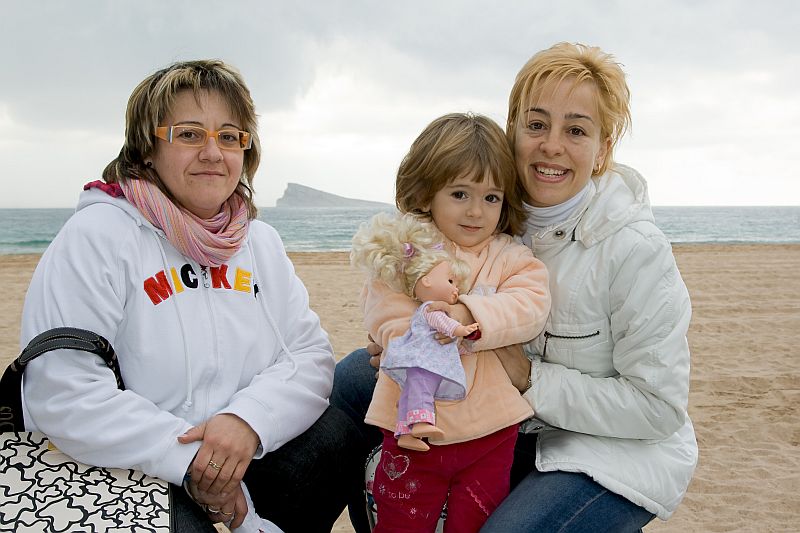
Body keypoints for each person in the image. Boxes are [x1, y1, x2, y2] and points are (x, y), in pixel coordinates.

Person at [332, 42, 698, 533]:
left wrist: (527, 377)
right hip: (503, 418)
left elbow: (658, 409)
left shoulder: (636, 251)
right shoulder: (487, 213)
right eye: (537, 124)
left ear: (603, 149)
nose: (552, 146)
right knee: (352, 378)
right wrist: (403, 345)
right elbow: (409, 278)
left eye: (576, 130)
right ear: (513, 131)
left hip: (610, 451)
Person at [20, 59, 362, 533]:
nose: (212, 153)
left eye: (229, 136)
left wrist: (247, 422)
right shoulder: (98, 235)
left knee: (335, 437)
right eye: (188, 134)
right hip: (126, 464)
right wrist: (193, 459)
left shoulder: (259, 243)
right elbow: (62, 390)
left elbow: (308, 356)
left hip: (238, 452)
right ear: (147, 149)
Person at [342, 113, 551, 532]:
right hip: (413, 427)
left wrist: (468, 314)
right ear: (426, 192)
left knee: (474, 522)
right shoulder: (408, 250)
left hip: (490, 432)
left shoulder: (509, 257)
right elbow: (383, 307)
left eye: (491, 197)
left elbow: (531, 305)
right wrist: (416, 334)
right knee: (401, 521)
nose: (476, 211)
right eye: (459, 194)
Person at [351, 212, 478, 452]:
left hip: (414, 354)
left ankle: (404, 432)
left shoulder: (420, 308)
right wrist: (464, 328)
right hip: (423, 358)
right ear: (427, 281)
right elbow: (445, 325)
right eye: (451, 281)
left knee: (410, 392)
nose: (456, 289)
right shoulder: (432, 308)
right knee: (422, 387)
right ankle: (421, 422)